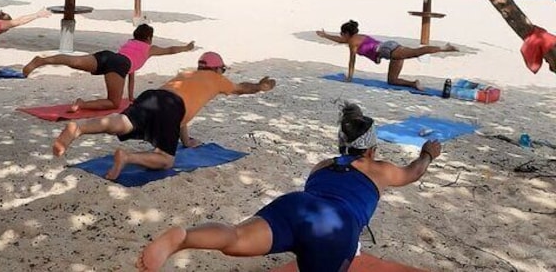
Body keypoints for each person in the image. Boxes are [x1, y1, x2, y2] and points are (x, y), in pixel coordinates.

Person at [138, 102, 442, 272]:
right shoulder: (381, 169)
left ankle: (184, 237)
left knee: (235, 236)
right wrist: (428, 153)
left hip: (295, 205)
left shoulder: (323, 164)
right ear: (372, 149)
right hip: (336, 226)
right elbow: (413, 172)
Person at [52, 51, 275, 180]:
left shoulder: (186, 74)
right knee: (166, 160)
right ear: (218, 70)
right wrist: (259, 86)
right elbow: (241, 88)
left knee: (121, 122)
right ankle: (128, 157)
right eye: (223, 71)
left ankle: (79, 128)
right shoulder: (217, 80)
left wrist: (186, 141)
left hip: (153, 96)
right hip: (171, 107)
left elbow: (180, 118)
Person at [23, 23, 195, 112]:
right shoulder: (149, 49)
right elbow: (170, 50)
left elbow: (131, 73)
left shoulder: (130, 44)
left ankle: (41, 61)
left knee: (73, 61)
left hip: (108, 56)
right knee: (113, 103)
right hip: (118, 65)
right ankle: (81, 104)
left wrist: (132, 96)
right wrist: (186, 48)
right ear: (149, 38)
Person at [317, 19, 457, 90]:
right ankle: (414, 83)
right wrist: (325, 35)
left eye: (342, 33)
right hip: (389, 48)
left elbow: (352, 60)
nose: (341, 36)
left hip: (388, 50)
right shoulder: (358, 37)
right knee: (392, 80)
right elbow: (340, 40)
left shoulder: (352, 43)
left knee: (416, 52)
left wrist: (350, 77)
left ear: (347, 33)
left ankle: (443, 48)